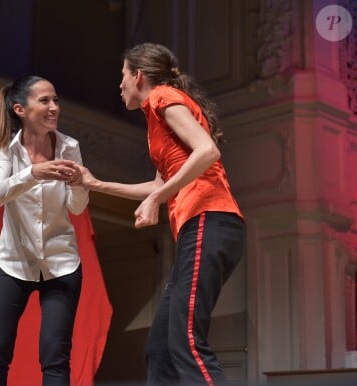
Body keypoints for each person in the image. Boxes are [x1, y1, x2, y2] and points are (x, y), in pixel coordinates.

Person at [76, 43, 246, 385]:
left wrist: (159, 199)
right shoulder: (157, 118)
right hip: (201, 228)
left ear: (138, 76)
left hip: (209, 219)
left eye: (122, 75)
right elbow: (157, 186)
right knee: (160, 349)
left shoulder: (162, 97)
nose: (119, 85)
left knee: (184, 341)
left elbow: (207, 151)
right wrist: (95, 184)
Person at [0, 75, 89, 386]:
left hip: (62, 263)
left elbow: (77, 208)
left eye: (55, 100)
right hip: (12, 263)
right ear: (20, 109)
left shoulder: (70, 147)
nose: (54, 107)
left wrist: (79, 185)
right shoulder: (6, 151)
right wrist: (32, 173)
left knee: (55, 359)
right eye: (44, 101)